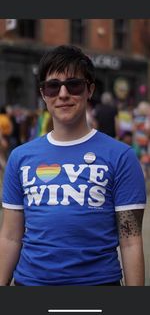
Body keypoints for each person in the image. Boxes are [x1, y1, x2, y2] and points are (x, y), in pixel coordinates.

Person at [0, 45, 146, 286]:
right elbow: (10, 237)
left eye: (74, 84)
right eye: (53, 86)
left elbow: (130, 241)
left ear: (90, 89)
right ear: (43, 94)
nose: (63, 93)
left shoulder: (121, 157)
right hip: (30, 285)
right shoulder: (20, 157)